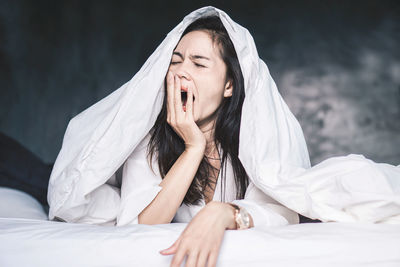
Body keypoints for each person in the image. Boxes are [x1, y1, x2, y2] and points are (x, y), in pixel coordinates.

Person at [47, 6, 312, 267]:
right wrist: (193, 147)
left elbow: (283, 212)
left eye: (198, 63)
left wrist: (222, 213)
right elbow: (143, 226)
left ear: (229, 85)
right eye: (174, 62)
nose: (180, 72)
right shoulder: (150, 139)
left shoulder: (255, 139)